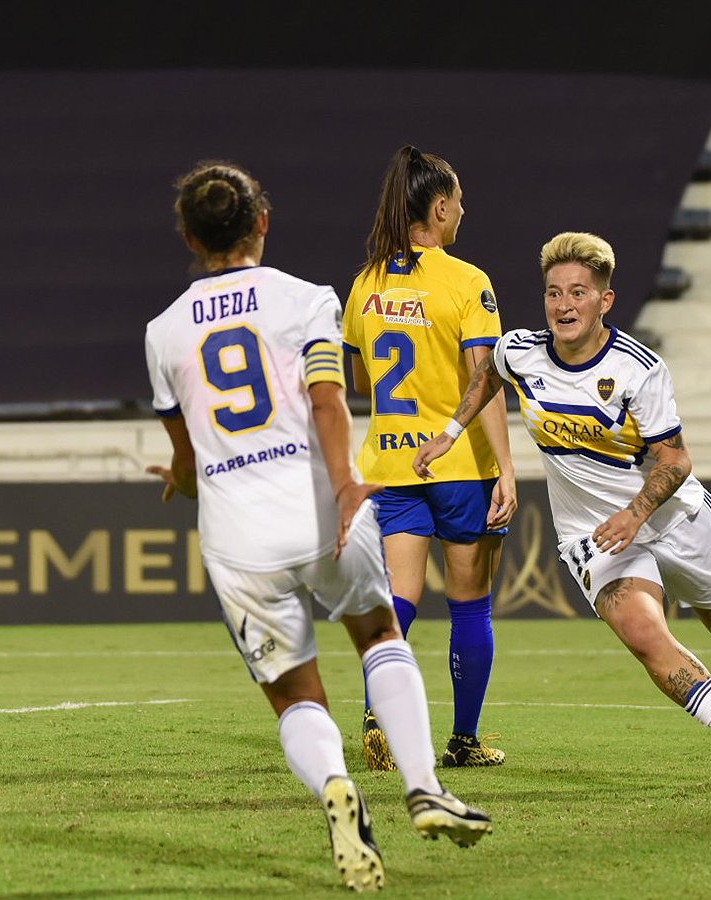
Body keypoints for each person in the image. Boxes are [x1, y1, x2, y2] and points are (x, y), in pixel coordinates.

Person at [144, 161, 491, 891]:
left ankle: (336, 788)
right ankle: (426, 786)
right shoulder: (305, 299)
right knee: (378, 638)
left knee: (297, 696)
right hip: (319, 509)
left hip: (237, 537)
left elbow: (183, 458)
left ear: (187, 234)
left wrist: (180, 481)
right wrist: (344, 485)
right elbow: (329, 402)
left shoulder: (163, 332)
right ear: (261, 222)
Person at [412, 231, 711, 787]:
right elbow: (489, 374)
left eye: (578, 293)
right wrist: (450, 432)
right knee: (644, 635)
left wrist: (635, 514)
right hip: (592, 534)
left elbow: (676, 460)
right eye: (553, 293)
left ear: (604, 301)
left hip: (669, 517)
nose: (563, 306)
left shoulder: (640, 369)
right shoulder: (521, 351)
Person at [343, 145, 515, 771]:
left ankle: (375, 716)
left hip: (390, 464)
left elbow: (361, 383)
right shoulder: (468, 282)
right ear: (439, 208)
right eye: (459, 201)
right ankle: (464, 741)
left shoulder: (364, 284)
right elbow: (484, 380)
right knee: (470, 604)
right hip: (460, 465)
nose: (463, 211)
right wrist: (508, 467)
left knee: (399, 599)